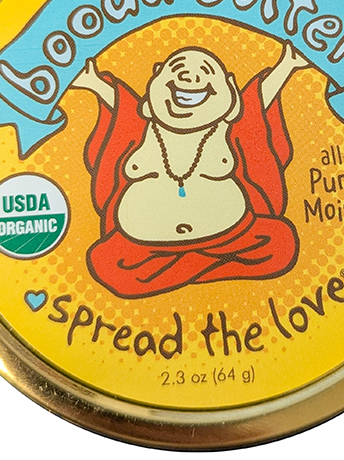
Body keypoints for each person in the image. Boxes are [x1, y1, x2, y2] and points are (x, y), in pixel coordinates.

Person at [71, 41, 309, 298]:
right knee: (107, 263)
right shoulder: (142, 130)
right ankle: (207, 268)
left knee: (280, 244)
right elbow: (121, 105)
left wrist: (287, 65)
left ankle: (177, 272)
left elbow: (257, 101)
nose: (190, 77)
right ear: (155, 79)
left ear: (230, 88)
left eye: (206, 72)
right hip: (145, 246)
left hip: (230, 238)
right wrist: (94, 83)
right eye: (177, 69)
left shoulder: (226, 131)